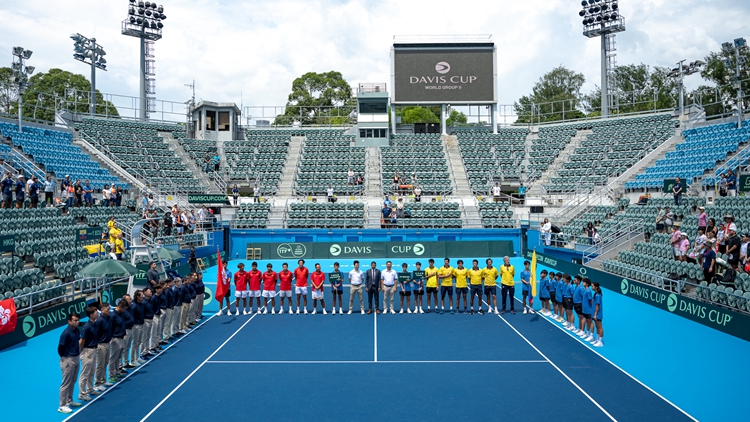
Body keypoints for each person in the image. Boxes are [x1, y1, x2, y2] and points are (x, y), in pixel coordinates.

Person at [58, 313, 82, 414]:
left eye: (78, 320)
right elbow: (60, 348)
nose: (77, 322)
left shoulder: (76, 330)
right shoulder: (66, 333)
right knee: (66, 383)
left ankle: (69, 400)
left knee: (73, 380)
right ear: (69, 321)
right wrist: (65, 358)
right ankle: (62, 405)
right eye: (75, 320)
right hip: (68, 359)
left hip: (76, 358)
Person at [78, 306, 99, 402]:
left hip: (94, 350)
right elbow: (82, 341)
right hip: (87, 351)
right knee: (85, 373)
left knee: (92, 371)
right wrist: (80, 352)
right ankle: (82, 393)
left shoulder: (95, 324)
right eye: (96, 313)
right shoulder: (86, 327)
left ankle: (90, 388)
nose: (97, 314)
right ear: (91, 315)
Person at [93, 302, 113, 393]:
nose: (109, 311)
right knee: (100, 365)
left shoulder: (108, 318)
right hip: (101, 345)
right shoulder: (100, 320)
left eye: (109, 309)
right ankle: (97, 383)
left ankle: (103, 380)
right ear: (102, 310)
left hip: (107, 343)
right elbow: (95, 333)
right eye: (107, 309)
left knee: (105, 363)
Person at [109, 300, 128, 384]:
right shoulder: (113, 315)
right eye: (124, 308)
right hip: (115, 338)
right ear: (119, 307)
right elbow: (110, 327)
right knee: (113, 358)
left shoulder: (121, 314)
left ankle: (117, 372)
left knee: (118, 356)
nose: (124, 310)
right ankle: (111, 375)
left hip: (121, 337)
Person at [590, 282, 604, 347]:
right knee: (597, 327)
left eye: (592, 286)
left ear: (596, 287)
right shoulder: (596, 294)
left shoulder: (598, 295)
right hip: (595, 313)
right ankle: (597, 339)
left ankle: (600, 341)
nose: (591, 287)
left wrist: (595, 314)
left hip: (598, 314)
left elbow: (597, 305)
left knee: (599, 327)